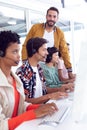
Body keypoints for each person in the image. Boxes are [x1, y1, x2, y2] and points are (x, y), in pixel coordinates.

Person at [0, 31, 59, 130]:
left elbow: (21, 105)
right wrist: (34, 113)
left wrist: (39, 108)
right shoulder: (21, 73)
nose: (19, 56)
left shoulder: (15, 79)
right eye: (14, 52)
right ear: (1, 53)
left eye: (18, 51)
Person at [21, 6, 74, 79]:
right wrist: (25, 62)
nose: (51, 19)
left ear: (57, 19)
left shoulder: (60, 33)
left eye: (54, 16)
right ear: (46, 16)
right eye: (50, 16)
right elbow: (25, 45)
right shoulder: (35, 28)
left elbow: (65, 51)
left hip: (50, 67)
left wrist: (69, 70)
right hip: (35, 64)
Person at [16, 37, 67, 104]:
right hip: (34, 111)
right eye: (44, 50)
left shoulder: (39, 68)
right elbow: (24, 101)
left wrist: (60, 89)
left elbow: (44, 90)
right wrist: (49, 96)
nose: (47, 53)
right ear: (34, 51)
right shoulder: (22, 72)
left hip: (43, 108)